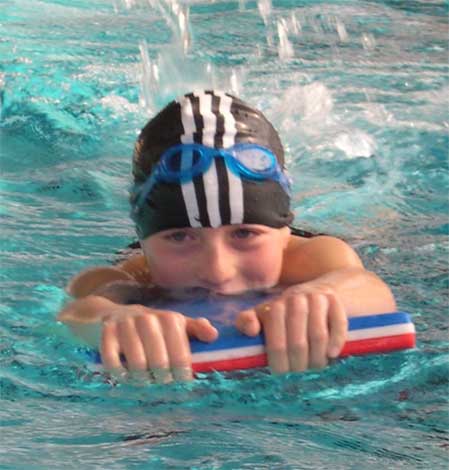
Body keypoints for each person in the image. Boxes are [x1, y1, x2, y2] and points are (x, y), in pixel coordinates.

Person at [58, 90, 396, 382]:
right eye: (179, 237)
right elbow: (79, 311)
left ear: (283, 232)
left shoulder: (311, 257)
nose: (217, 271)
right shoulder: (134, 276)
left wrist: (321, 295)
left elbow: (367, 286)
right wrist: (115, 320)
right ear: (143, 241)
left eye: (245, 234)